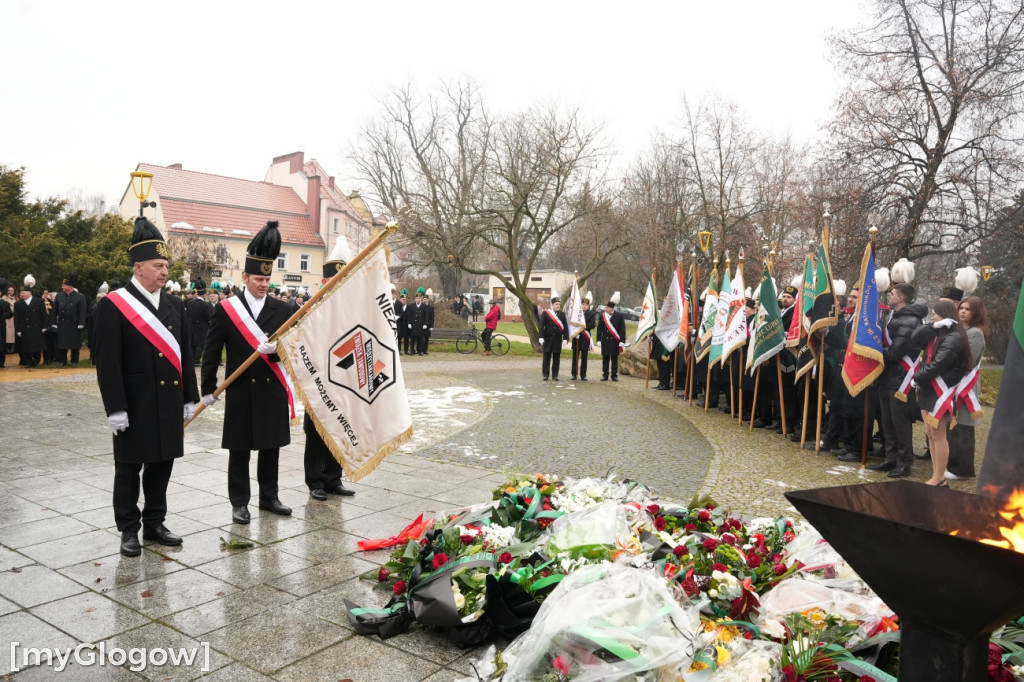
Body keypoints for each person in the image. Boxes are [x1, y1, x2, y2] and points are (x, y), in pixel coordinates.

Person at [92, 217, 200, 557]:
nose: (165, 271)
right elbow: (107, 361)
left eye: (166, 265)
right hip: (134, 403)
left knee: (162, 464)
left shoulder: (174, 304)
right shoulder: (113, 305)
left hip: (167, 400)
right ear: (138, 268)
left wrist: (189, 397)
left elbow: (185, 354)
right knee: (128, 469)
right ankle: (128, 528)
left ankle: (155, 522)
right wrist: (115, 407)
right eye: (158, 265)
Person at [202, 221, 295, 525]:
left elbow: (294, 349)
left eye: (267, 278)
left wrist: (278, 351)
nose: (264, 284)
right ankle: (239, 502)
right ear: (244, 277)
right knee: (239, 449)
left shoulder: (282, 311)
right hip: (241, 389)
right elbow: (212, 351)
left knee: (270, 448)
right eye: (258, 278)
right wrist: (207, 387)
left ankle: (270, 497)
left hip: (271, 389)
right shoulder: (227, 309)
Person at [305, 243, 356, 500]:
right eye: (334, 280)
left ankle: (333, 479)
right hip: (316, 380)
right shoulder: (310, 309)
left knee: (338, 431)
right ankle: (315, 481)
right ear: (325, 281)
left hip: (341, 379)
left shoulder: (351, 311)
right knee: (315, 434)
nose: (338, 285)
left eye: (343, 280)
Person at [910, 299, 972, 486]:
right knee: (930, 433)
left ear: (945, 315)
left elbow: (939, 365)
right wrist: (931, 326)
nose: (932, 316)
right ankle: (937, 475)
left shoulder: (954, 337)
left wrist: (918, 377)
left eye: (935, 313)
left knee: (938, 435)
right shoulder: (938, 331)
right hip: (929, 387)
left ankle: (939, 477)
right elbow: (914, 339)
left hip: (940, 389)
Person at [867, 283, 926, 475]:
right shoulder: (895, 316)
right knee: (887, 421)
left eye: (892, 294)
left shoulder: (910, 320)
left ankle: (904, 462)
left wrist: (870, 351)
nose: (888, 296)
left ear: (901, 298)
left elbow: (895, 352)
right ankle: (891, 458)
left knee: (900, 422)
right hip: (888, 376)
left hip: (900, 377)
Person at [946, 295, 988, 480]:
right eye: (961, 307)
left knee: (963, 425)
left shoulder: (975, 333)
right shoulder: (958, 330)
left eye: (968, 309)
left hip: (965, 384)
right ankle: (952, 464)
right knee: (953, 425)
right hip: (953, 382)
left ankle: (963, 469)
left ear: (976, 313)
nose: (962, 311)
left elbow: (966, 360)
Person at [51, 271, 88, 366]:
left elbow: (82, 311)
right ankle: (62, 361)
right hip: (62, 323)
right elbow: (54, 310)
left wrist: (81, 323)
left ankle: (74, 360)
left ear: (70, 286)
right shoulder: (59, 296)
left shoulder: (80, 296)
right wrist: (53, 322)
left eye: (64, 285)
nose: (62, 287)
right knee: (62, 344)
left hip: (74, 323)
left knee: (75, 344)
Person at [14, 275, 46, 367]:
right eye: (21, 293)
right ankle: (28, 361)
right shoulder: (18, 304)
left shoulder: (39, 302)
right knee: (25, 346)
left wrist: (44, 326)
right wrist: (18, 330)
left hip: (36, 327)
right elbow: (16, 318)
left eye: (23, 293)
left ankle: (36, 361)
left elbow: (43, 315)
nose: (21, 295)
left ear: (29, 293)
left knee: (37, 345)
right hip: (24, 328)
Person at [597, 293, 626, 381]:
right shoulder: (603, 316)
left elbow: (622, 329)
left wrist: (622, 340)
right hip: (605, 340)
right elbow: (599, 329)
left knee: (614, 358)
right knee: (605, 358)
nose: (605, 308)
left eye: (607, 307)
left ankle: (614, 375)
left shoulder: (619, 316)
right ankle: (605, 374)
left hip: (615, 341)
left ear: (611, 308)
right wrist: (598, 339)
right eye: (605, 307)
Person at [539, 296, 568, 380]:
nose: (558, 306)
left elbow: (565, 327)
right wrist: (541, 337)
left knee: (556, 358)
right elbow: (541, 326)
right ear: (552, 305)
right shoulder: (546, 313)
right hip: (547, 339)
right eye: (556, 304)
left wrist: (566, 338)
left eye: (559, 304)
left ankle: (555, 375)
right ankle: (545, 374)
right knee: (546, 357)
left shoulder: (562, 314)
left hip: (557, 339)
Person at [186, 279, 212, 366]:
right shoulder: (205, 305)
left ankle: (192, 359)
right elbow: (208, 317)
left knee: (192, 343)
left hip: (191, 325)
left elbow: (187, 315)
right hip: (201, 326)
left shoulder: (190, 303)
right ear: (204, 294)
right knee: (200, 344)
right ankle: (196, 360)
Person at [571, 298, 595, 380]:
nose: (584, 306)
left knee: (584, 357)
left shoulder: (591, 314)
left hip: (585, 338)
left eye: (586, 305)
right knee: (575, 357)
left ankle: (583, 375)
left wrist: (582, 326)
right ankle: (574, 374)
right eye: (583, 304)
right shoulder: (577, 313)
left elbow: (592, 324)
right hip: (577, 337)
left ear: (588, 306)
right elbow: (572, 323)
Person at [408, 289, 427, 355]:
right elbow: (409, 315)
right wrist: (409, 323)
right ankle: (412, 351)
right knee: (412, 339)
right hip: (413, 325)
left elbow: (426, 316)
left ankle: (420, 351)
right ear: (415, 299)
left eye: (419, 298)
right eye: (417, 298)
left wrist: (425, 324)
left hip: (421, 325)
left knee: (420, 339)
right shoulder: (411, 306)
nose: (418, 299)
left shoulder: (424, 307)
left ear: (421, 299)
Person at [394, 289, 410, 355]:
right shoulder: (398, 305)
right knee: (399, 338)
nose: (404, 300)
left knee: (406, 338)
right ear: (400, 300)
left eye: (405, 299)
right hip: (399, 325)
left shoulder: (409, 307)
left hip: (406, 325)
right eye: (402, 299)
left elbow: (410, 316)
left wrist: (410, 323)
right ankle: (399, 350)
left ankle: (406, 350)